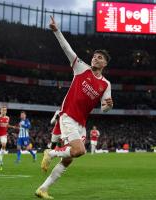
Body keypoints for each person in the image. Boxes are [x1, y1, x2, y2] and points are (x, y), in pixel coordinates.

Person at [35, 16, 113, 199]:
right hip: (68, 116)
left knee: (69, 158)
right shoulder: (81, 68)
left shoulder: (106, 85)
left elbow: (104, 109)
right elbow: (66, 48)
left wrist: (108, 106)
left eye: (99, 58)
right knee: (79, 151)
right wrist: (56, 31)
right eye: (94, 56)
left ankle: (43, 189)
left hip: (81, 123)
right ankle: (51, 152)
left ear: (104, 64)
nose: (95, 58)